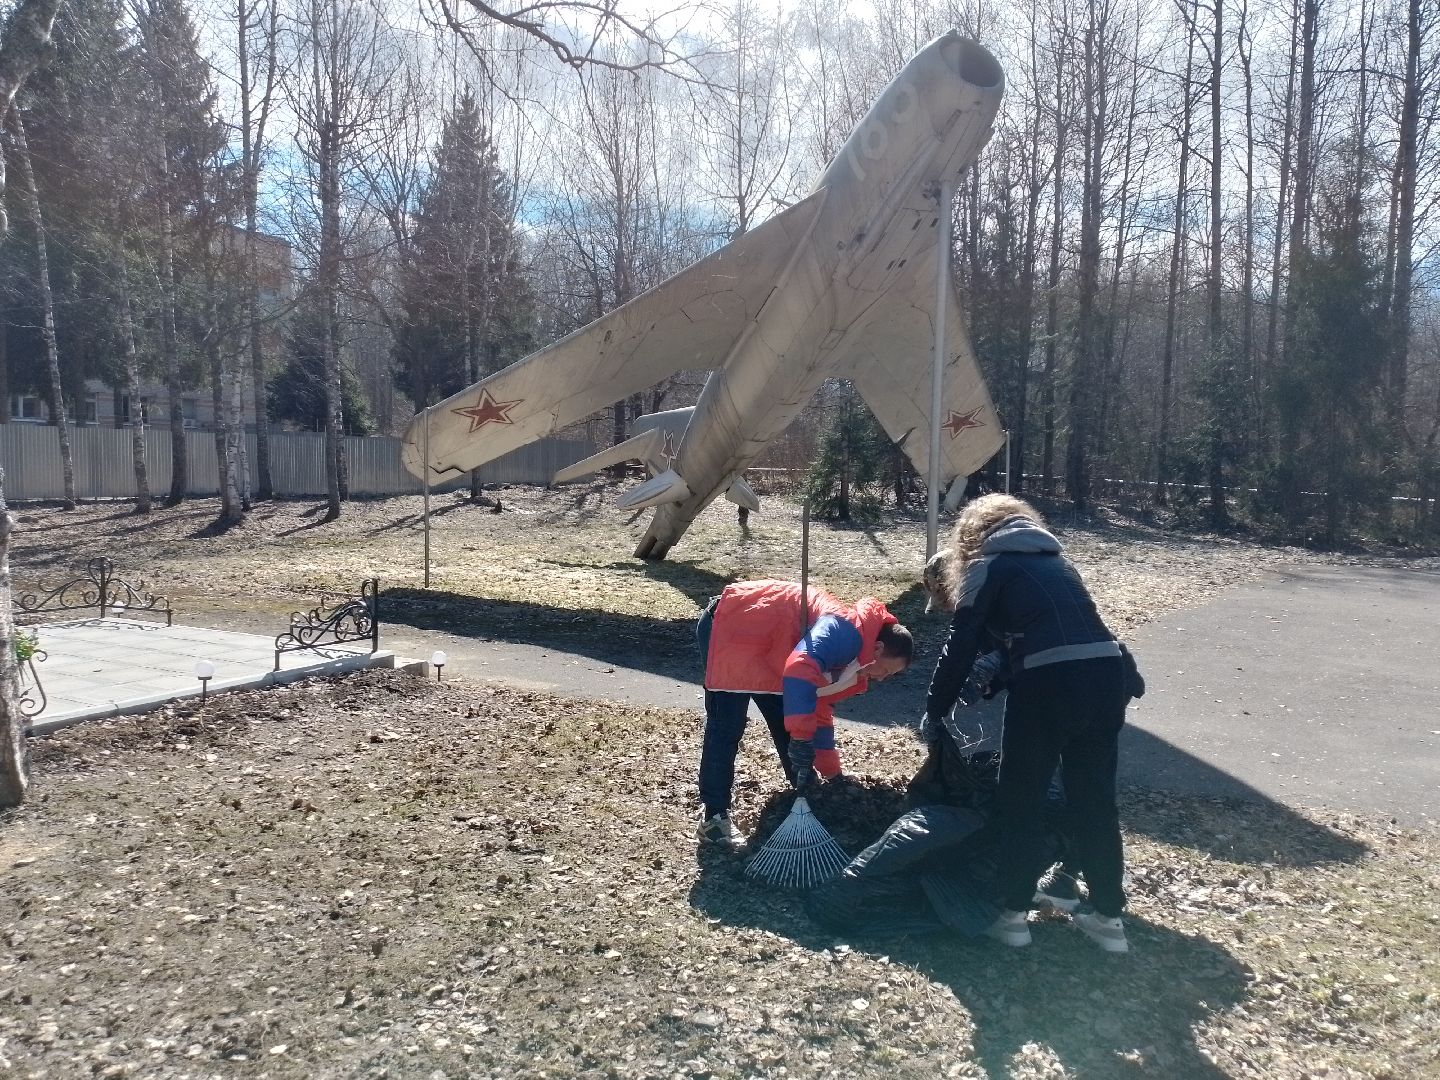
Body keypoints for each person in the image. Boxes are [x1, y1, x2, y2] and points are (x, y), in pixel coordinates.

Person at [921, 494, 1133, 953]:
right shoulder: (1059, 564)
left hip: (1048, 685)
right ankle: (1108, 917)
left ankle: (1013, 914)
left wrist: (936, 710)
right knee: (1095, 801)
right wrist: (1129, 678)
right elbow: (1084, 630)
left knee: (1022, 799)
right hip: (1105, 678)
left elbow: (961, 643)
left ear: (970, 536)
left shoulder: (986, 565)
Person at [696, 578, 913, 845]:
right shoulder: (844, 632)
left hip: (771, 649)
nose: (881, 679)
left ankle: (808, 796)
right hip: (732, 626)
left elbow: (817, 708)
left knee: (788, 721)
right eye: (886, 671)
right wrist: (800, 737)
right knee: (726, 727)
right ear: (878, 649)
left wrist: (832, 773)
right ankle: (713, 819)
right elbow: (799, 668)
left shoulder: (855, 666)